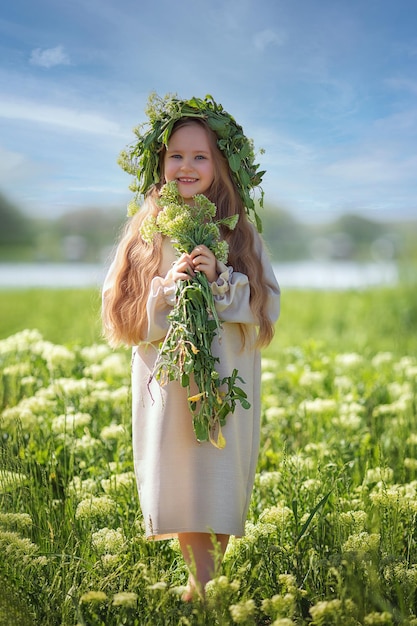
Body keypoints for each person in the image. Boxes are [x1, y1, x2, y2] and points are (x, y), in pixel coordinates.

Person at [102, 93, 280, 600]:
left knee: (219, 468)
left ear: (221, 164)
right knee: (181, 465)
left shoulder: (240, 230)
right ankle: (202, 581)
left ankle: (208, 577)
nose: (187, 166)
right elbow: (123, 311)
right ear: (160, 162)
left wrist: (223, 278)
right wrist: (172, 286)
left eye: (200, 156)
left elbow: (268, 307)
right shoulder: (147, 229)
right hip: (173, 377)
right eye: (176, 155)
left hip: (227, 373)